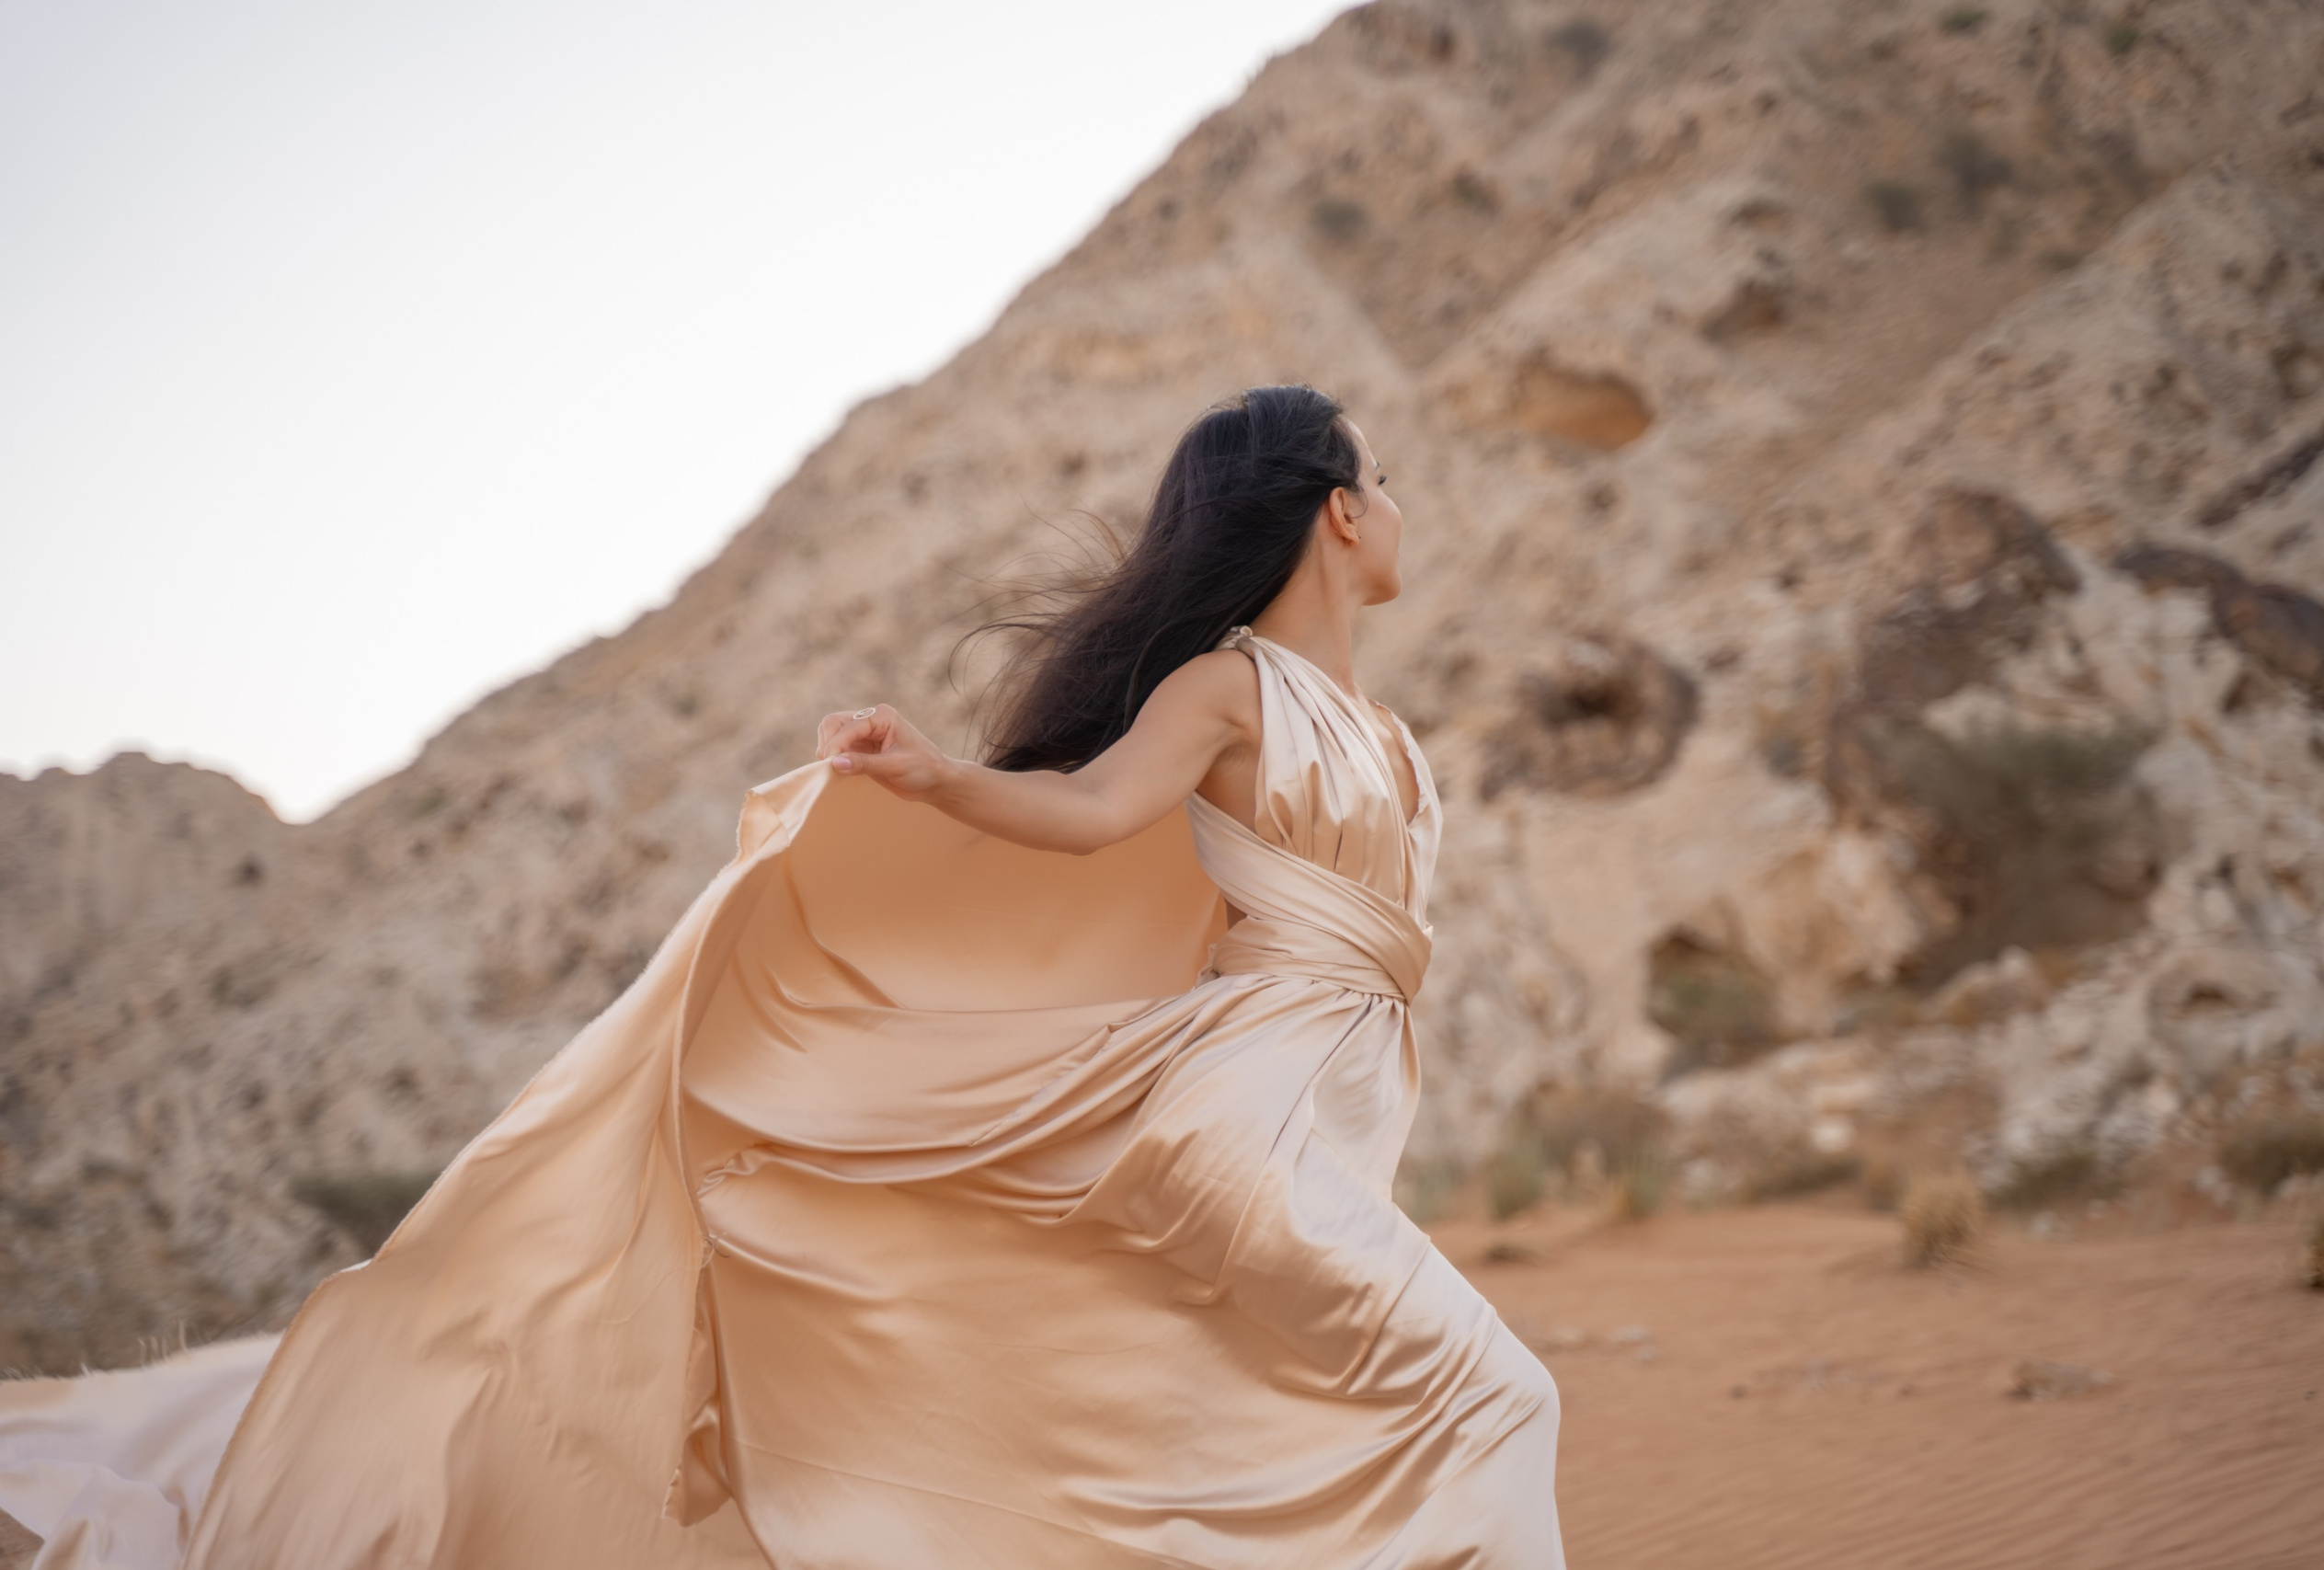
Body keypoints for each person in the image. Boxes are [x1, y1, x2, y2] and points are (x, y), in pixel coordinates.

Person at [0, 385, 1564, 1568]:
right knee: (1495, 1403)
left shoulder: (1395, 743)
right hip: (1254, 1124)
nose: (1402, 504)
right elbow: (1092, 809)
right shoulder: (1234, 687)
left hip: (1334, 1107)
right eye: (1387, 478)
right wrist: (942, 781)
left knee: (1221, 1441)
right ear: (1337, 514)